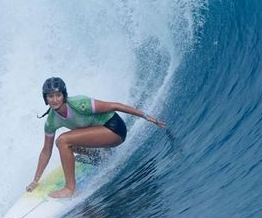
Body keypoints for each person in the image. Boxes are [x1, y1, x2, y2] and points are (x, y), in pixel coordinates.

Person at [26, 77, 167, 198]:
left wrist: (148, 117)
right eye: (50, 96)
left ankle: (70, 189)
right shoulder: (51, 121)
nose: (55, 99)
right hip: (100, 135)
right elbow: (46, 151)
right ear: (45, 98)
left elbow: (114, 106)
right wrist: (35, 180)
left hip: (115, 130)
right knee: (69, 147)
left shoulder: (79, 104)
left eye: (58, 95)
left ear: (64, 95)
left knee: (63, 140)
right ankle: (102, 156)